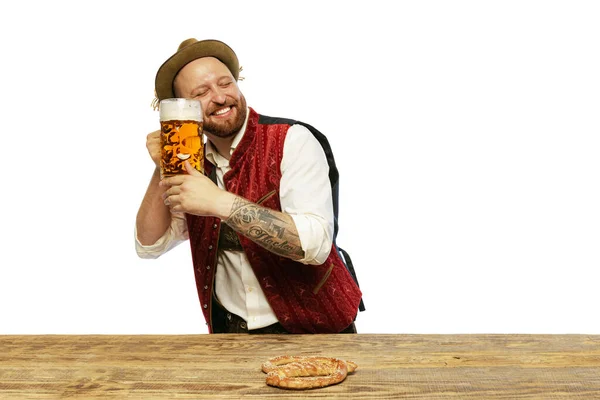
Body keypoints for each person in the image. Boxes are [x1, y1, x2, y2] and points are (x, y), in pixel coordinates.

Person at [135, 38, 362, 334]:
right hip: (231, 333)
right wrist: (162, 165)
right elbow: (149, 245)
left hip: (316, 330)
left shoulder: (293, 140)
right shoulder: (192, 164)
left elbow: (315, 244)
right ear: (182, 110)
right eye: (201, 92)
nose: (219, 97)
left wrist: (219, 202)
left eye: (225, 83)